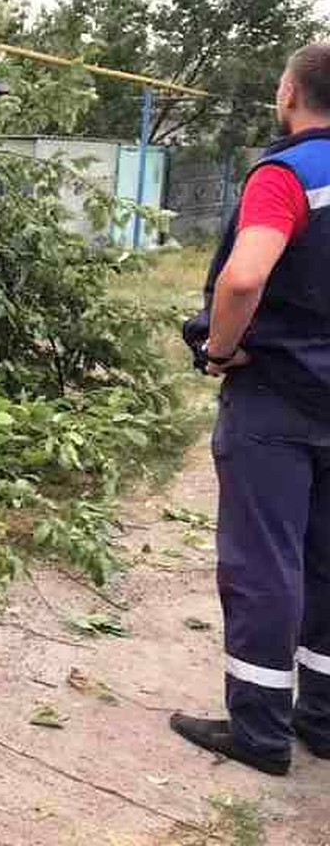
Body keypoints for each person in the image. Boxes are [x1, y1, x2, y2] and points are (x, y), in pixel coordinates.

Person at [172, 41, 330, 777]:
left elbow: (244, 278)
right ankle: (322, 720)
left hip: (279, 398)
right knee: (327, 560)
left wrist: (220, 348)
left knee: (265, 562)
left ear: (288, 92)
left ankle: (261, 732)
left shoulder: (291, 173)